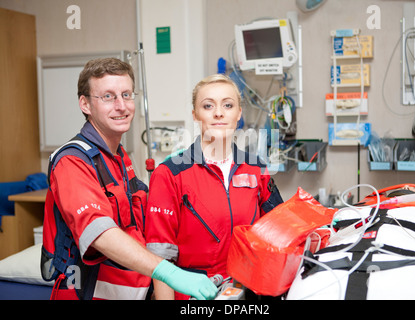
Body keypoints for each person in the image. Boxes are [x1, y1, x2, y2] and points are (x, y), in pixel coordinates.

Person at [41, 58, 217, 300]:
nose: (121, 106)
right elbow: (99, 232)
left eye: (126, 94)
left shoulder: (119, 158)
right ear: (85, 104)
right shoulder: (72, 161)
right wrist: (168, 273)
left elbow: (142, 225)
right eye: (108, 97)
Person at [146, 74, 284, 299]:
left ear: (239, 113)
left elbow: (280, 230)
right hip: (196, 295)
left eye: (227, 105)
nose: (218, 113)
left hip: (248, 290)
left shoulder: (256, 169)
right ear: (195, 115)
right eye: (208, 105)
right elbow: (161, 259)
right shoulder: (170, 173)